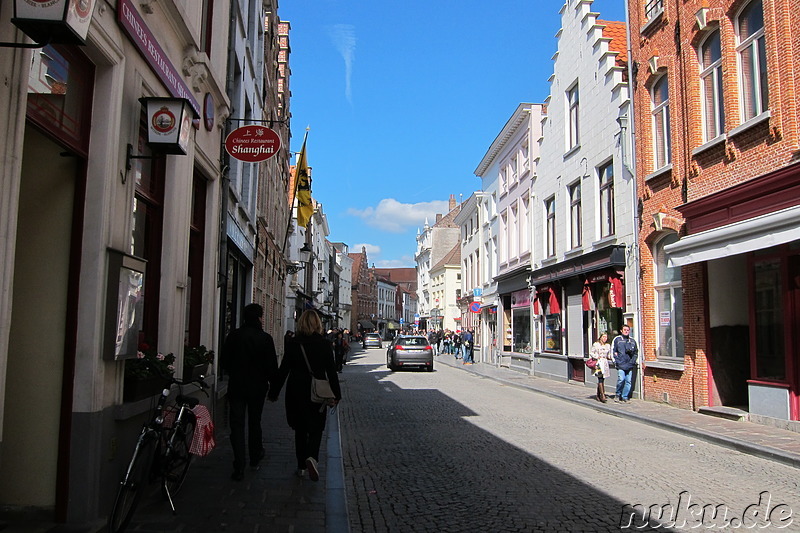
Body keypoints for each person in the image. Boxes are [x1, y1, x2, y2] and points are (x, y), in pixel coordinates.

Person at [268, 310, 341, 481]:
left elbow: (284, 369)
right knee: (316, 428)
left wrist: (273, 392)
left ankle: (301, 466)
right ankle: (312, 457)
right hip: (318, 391)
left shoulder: (294, 343)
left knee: (300, 429)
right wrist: (336, 395)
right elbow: (332, 371)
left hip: (296, 390)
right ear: (318, 324)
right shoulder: (324, 344)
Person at [221, 303, 279, 481]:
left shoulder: (234, 336)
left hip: (237, 387)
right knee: (255, 421)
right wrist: (274, 390)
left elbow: (224, 362)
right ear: (260, 318)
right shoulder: (265, 338)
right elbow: (272, 367)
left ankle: (239, 465)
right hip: (257, 388)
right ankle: (255, 457)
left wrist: (234, 372)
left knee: (237, 426)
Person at [612, 324, 638, 403]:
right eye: (625, 330)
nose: (626, 331)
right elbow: (613, 351)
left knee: (628, 381)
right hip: (621, 364)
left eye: (628, 330)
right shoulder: (617, 339)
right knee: (621, 379)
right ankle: (618, 394)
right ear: (621, 331)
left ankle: (625, 396)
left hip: (629, 364)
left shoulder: (632, 341)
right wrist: (616, 361)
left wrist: (632, 362)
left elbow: (636, 352)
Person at [589, 332, 613, 403]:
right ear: (600, 337)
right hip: (598, 362)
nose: (605, 338)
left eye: (606, 337)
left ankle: (598, 394)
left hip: (604, 363)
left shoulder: (608, 346)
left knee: (603, 378)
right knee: (600, 378)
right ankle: (602, 395)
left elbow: (609, 355)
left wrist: (612, 357)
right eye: (603, 337)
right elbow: (591, 352)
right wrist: (596, 356)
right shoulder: (596, 345)